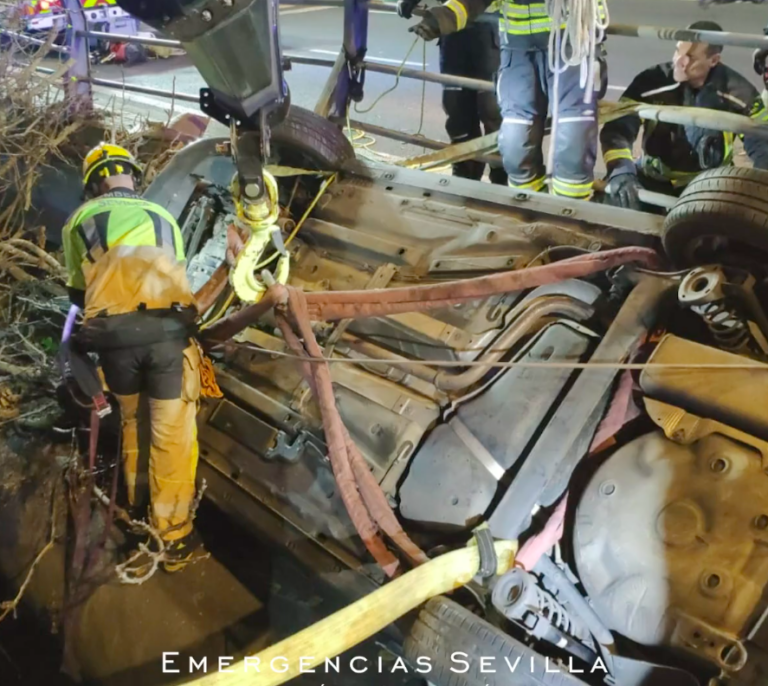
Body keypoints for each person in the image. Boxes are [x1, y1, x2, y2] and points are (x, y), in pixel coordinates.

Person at [62, 143, 202, 572]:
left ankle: (138, 509)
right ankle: (174, 539)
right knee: (171, 436)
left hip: (114, 343)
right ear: (132, 177)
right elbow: (177, 274)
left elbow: (76, 295)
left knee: (132, 423)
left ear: (93, 184)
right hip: (166, 339)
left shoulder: (80, 221)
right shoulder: (164, 218)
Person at [410, 0, 607, 199]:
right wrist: (442, 18)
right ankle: (527, 207)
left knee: (573, 138)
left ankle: (569, 210)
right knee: (516, 141)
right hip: (518, 44)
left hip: (571, 39)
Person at [601, 20, 768, 210]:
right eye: (677, 50)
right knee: (617, 205)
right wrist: (621, 171)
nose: (679, 61)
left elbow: (763, 144)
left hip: (709, 185)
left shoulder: (739, 93)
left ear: (713, 60)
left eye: (690, 57)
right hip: (652, 178)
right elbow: (617, 129)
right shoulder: (651, 82)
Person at [397, 0, 507, 185]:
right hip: (453, 34)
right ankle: (465, 174)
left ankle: (501, 175)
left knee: (492, 111)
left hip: (488, 32)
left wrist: (439, 20)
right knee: (457, 110)